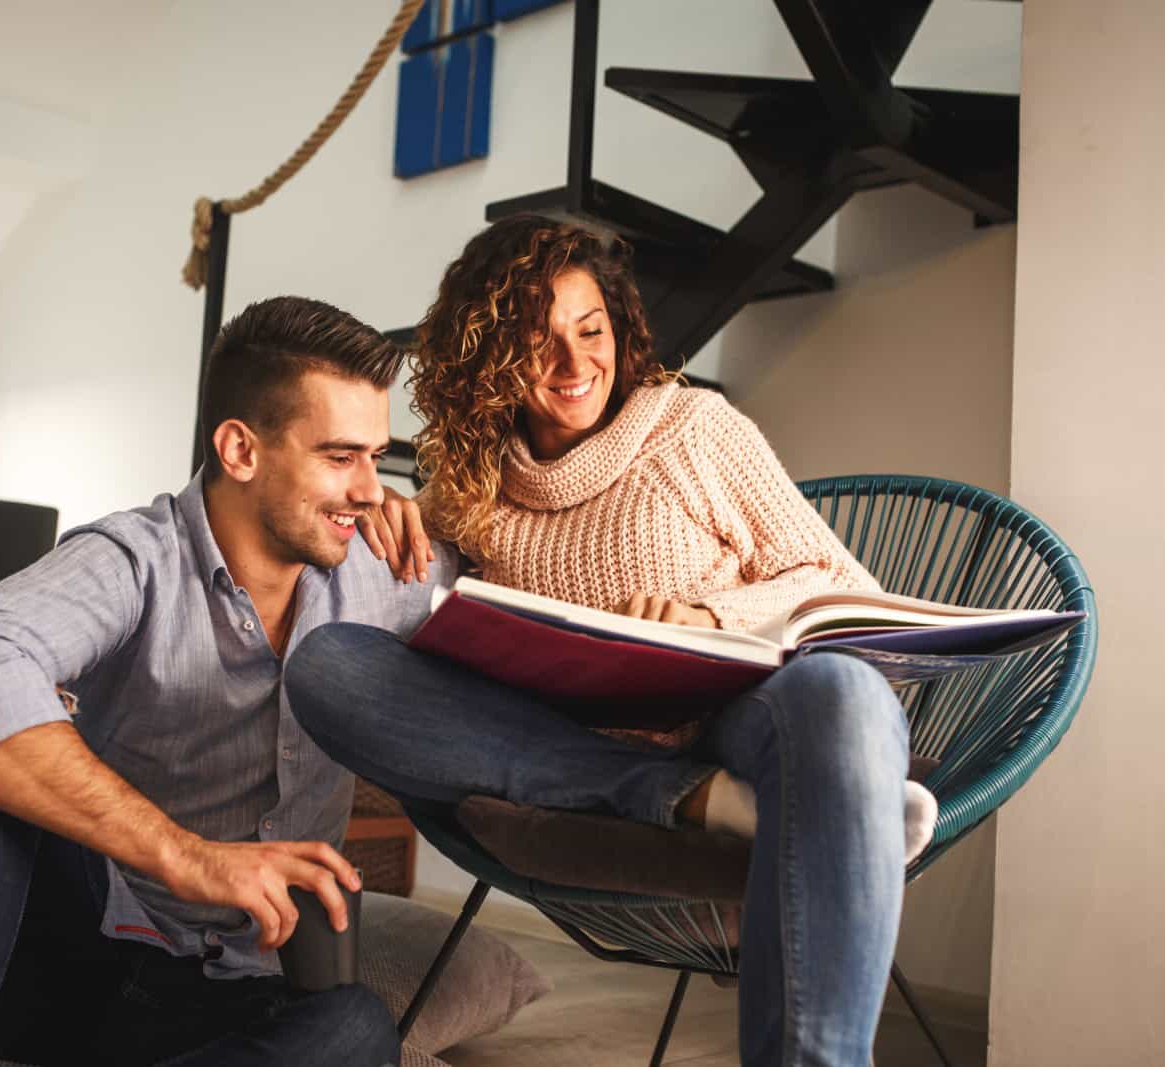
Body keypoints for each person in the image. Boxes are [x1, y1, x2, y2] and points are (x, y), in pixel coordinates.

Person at [285, 217, 934, 1067]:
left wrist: (711, 618)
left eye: (591, 330)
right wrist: (385, 513)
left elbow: (841, 585)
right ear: (488, 360)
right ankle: (694, 799)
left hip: (740, 713)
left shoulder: (695, 428)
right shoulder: (468, 492)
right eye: (536, 341)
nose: (573, 362)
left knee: (846, 695)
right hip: (570, 745)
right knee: (330, 666)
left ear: (618, 330)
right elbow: (408, 631)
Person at [0, 296, 452, 1067]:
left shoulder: (382, 565)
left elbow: (526, 563)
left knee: (356, 1031)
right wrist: (185, 855)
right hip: (80, 961)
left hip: (233, 992)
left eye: (378, 457)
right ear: (240, 449)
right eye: (341, 457)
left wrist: (661, 604)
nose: (373, 489)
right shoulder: (133, 559)